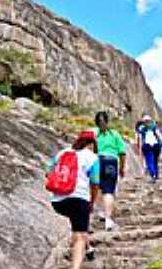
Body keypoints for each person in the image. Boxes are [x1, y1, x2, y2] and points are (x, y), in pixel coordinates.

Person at [46, 131, 100, 269]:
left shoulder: (62, 153)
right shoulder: (92, 157)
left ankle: (88, 249)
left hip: (58, 201)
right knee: (79, 236)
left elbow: (48, 171)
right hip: (79, 199)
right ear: (92, 143)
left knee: (77, 224)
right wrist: (92, 201)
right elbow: (95, 182)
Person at [92, 111, 126, 231]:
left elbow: (92, 150)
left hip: (97, 161)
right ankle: (108, 219)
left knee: (97, 188)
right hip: (111, 161)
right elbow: (122, 152)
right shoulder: (115, 134)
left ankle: (99, 212)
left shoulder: (94, 134)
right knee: (108, 191)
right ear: (107, 121)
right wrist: (122, 168)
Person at [137, 115, 162, 183]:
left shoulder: (141, 128)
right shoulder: (154, 127)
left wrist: (139, 148)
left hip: (147, 145)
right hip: (156, 145)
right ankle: (156, 174)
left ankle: (153, 174)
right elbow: (159, 135)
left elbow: (139, 138)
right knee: (155, 161)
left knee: (149, 161)